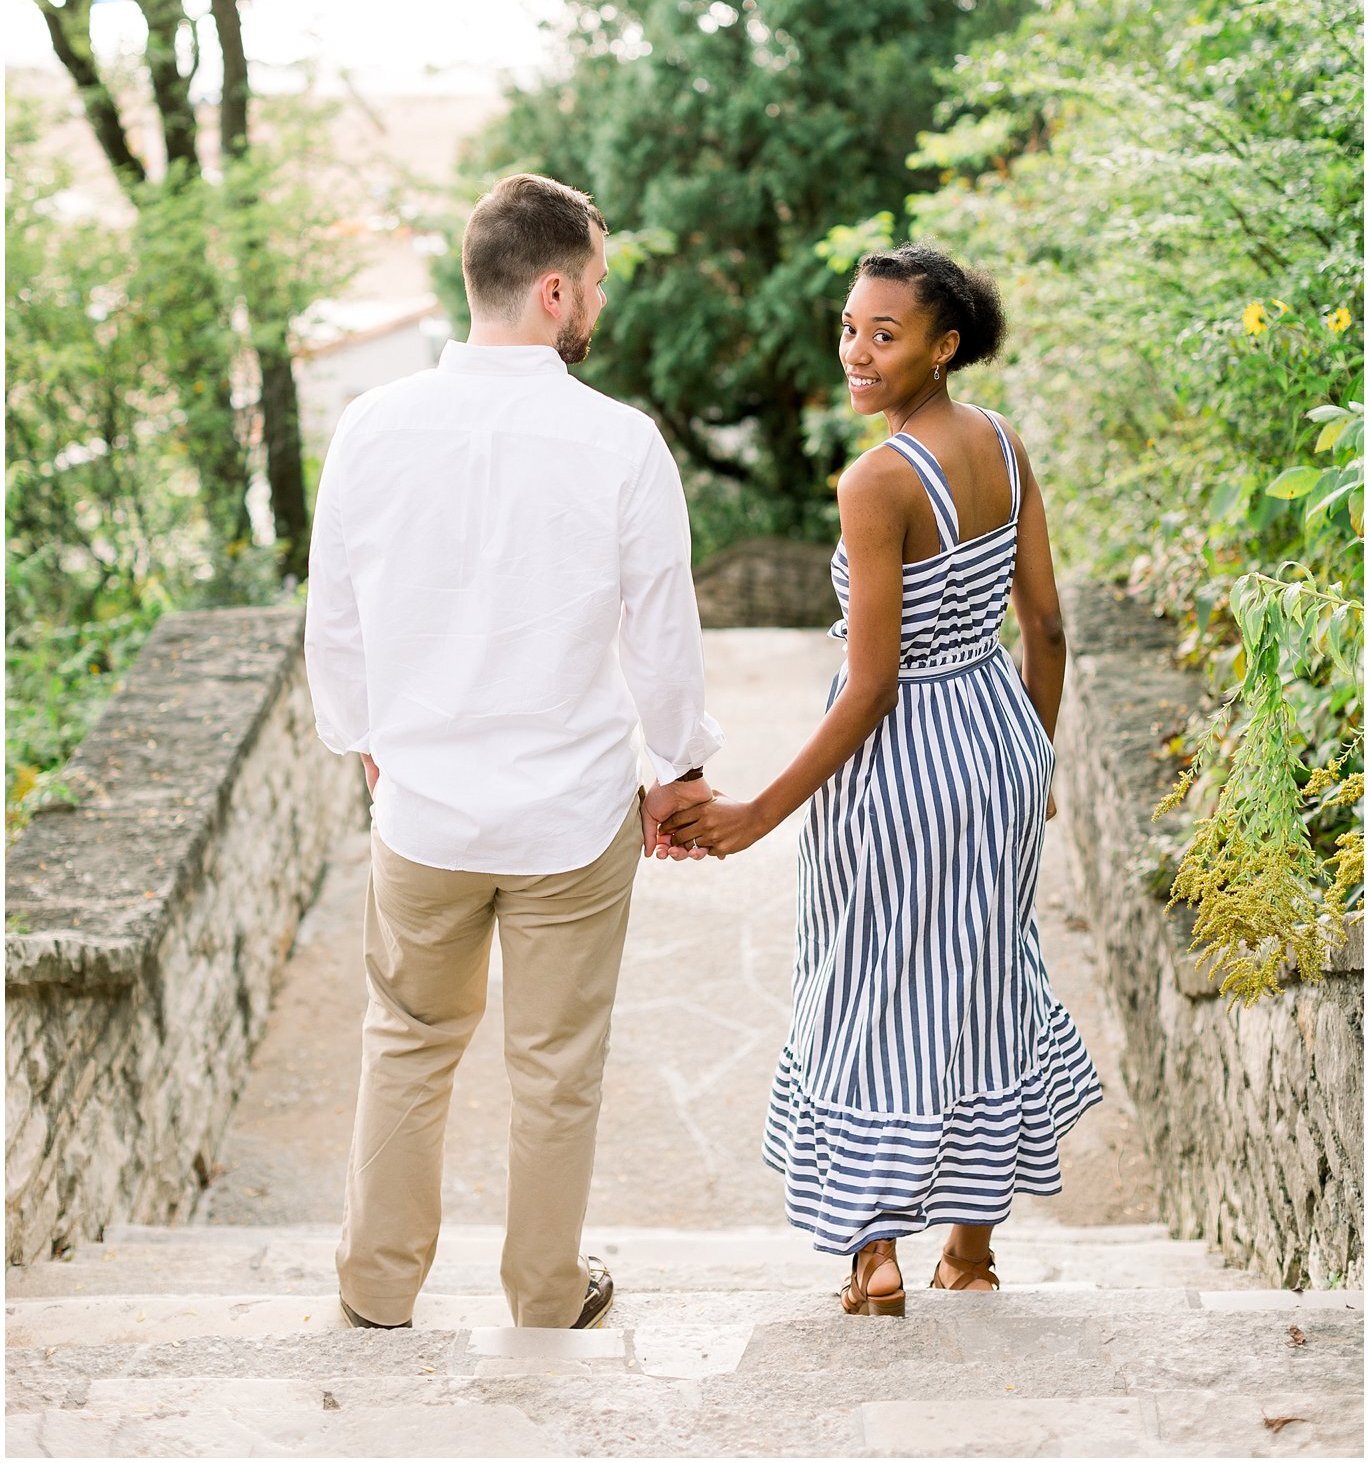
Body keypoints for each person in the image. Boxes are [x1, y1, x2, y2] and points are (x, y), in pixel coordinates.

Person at [304, 173, 721, 1332]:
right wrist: (680, 768)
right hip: (570, 819)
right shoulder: (620, 443)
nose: (597, 303)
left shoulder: (370, 425)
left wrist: (368, 746)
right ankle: (544, 1292)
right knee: (556, 1064)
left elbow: (331, 618)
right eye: (592, 283)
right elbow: (662, 631)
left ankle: (376, 1287)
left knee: (407, 1042)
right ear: (551, 289)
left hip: (424, 809)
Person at [659, 243, 1102, 1312]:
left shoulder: (878, 479)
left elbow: (869, 686)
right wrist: (1030, 756)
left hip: (897, 771)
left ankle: (874, 1252)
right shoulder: (1002, 441)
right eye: (850, 327)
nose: (857, 351)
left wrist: (758, 811)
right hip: (995, 739)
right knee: (981, 984)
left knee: (868, 994)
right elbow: (1042, 624)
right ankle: (971, 1247)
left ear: (943, 346)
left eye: (884, 334)